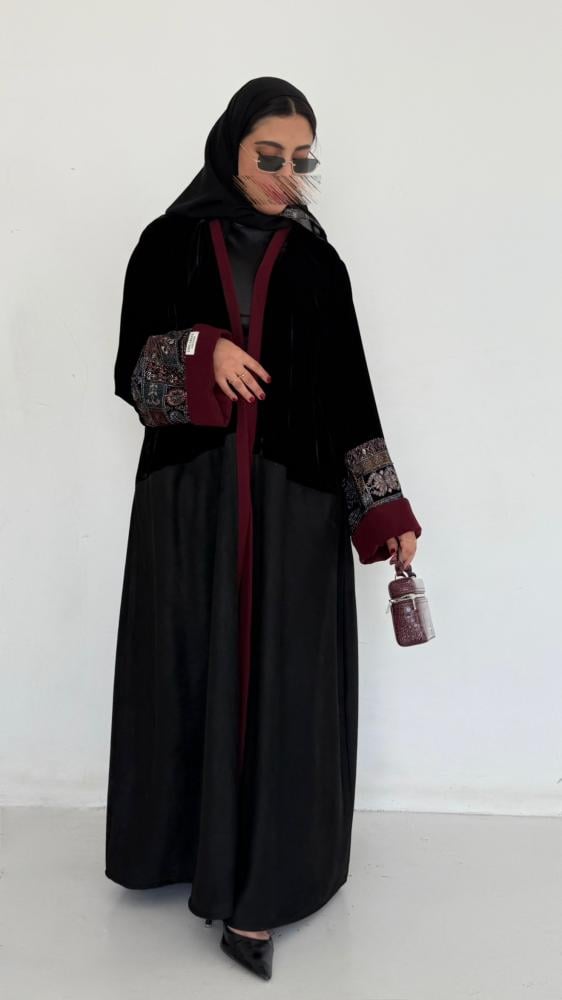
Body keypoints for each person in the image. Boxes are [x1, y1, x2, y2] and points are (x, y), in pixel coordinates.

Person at [105, 75, 422, 982]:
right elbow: (132, 375)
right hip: (190, 507)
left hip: (294, 510)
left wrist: (385, 509)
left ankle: (265, 887)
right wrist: (203, 352)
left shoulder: (319, 264)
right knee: (190, 668)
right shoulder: (166, 244)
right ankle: (183, 851)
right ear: (230, 149)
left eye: (301, 160)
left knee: (285, 683)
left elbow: (350, 395)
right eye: (268, 156)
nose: (287, 175)